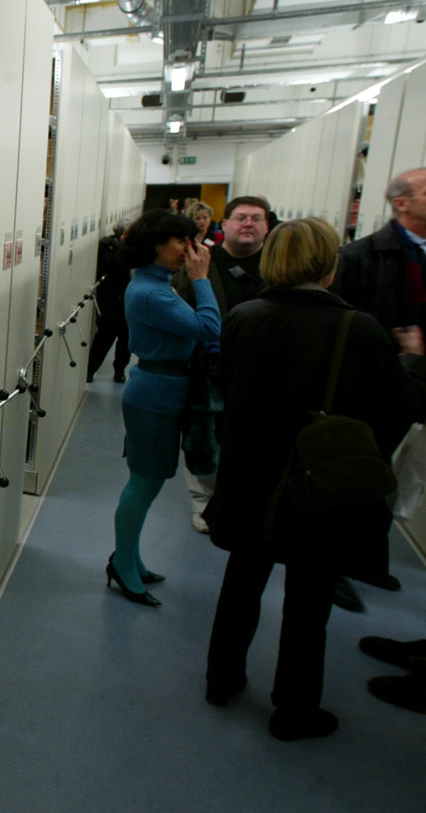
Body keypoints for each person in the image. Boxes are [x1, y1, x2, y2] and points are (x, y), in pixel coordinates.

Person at [202, 218, 426, 741]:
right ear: (331, 265)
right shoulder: (361, 329)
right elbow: (399, 410)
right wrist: (414, 361)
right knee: (309, 602)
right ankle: (295, 710)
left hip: (253, 479)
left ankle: (221, 680)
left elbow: (232, 389)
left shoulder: (244, 318)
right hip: (318, 487)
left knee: (241, 585)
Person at [107, 209, 220, 607]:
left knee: (148, 482)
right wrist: (201, 281)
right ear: (156, 246)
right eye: (181, 243)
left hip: (162, 389)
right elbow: (209, 328)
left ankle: (131, 559)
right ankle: (122, 564)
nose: (189, 251)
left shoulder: (156, 282)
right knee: (144, 483)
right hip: (154, 394)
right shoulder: (151, 292)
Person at [331, 167, 426, 595]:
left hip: (416, 384)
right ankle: (332, 568)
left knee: (389, 474)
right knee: (351, 474)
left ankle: (368, 559)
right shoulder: (360, 257)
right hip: (368, 388)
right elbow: (340, 327)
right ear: (402, 203)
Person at [172, 196, 273, 534]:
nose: (248, 223)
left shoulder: (278, 268)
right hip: (207, 370)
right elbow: (181, 307)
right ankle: (203, 504)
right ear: (224, 225)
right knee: (202, 438)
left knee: (249, 441)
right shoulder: (202, 262)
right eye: (241, 217)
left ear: (267, 227)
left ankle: (237, 502)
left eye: (256, 218)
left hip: (260, 371)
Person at [86, 218, 131, 384]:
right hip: (109, 300)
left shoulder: (134, 249)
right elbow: (113, 265)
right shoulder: (106, 246)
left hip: (128, 300)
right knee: (104, 337)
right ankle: (91, 370)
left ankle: (120, 370)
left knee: (126, 340)